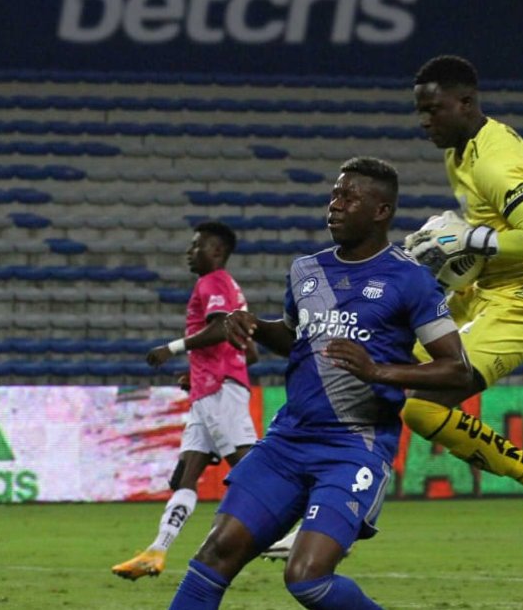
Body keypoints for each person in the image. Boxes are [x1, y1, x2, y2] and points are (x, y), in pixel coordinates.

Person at [264, 54, 523, 564]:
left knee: (420, 405)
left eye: (434, 110)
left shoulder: (495, 162)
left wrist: (470, 239)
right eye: (421, 110)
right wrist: (453, 250)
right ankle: (332, 512)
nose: (425, 121)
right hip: (482, 294)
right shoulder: (462, 152)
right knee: (361, 375)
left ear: (466, 103)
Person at [166, 157, 471, 610]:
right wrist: (253, 325)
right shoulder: (306, 270)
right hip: (289, 440)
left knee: (306, 577)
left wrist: (379, 371)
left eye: (349, 197)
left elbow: (457, 369)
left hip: (354, 445)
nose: (335, 205)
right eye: (334, 194)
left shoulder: (410, 279)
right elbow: (298, 339)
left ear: (381, 211)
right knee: (215, 554)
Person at [112, 221, 257, 581]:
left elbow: (221, 328)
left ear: (217, 251)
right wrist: (198, 371)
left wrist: (172, 348)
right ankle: (156, 551)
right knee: (185, 476)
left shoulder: (214, 281)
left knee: (250, 469)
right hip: (208, 389)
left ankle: (298, 531)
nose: (189, 252)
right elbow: (250, 351)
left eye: (197, 246)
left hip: (219, 391)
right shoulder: (229, 287)